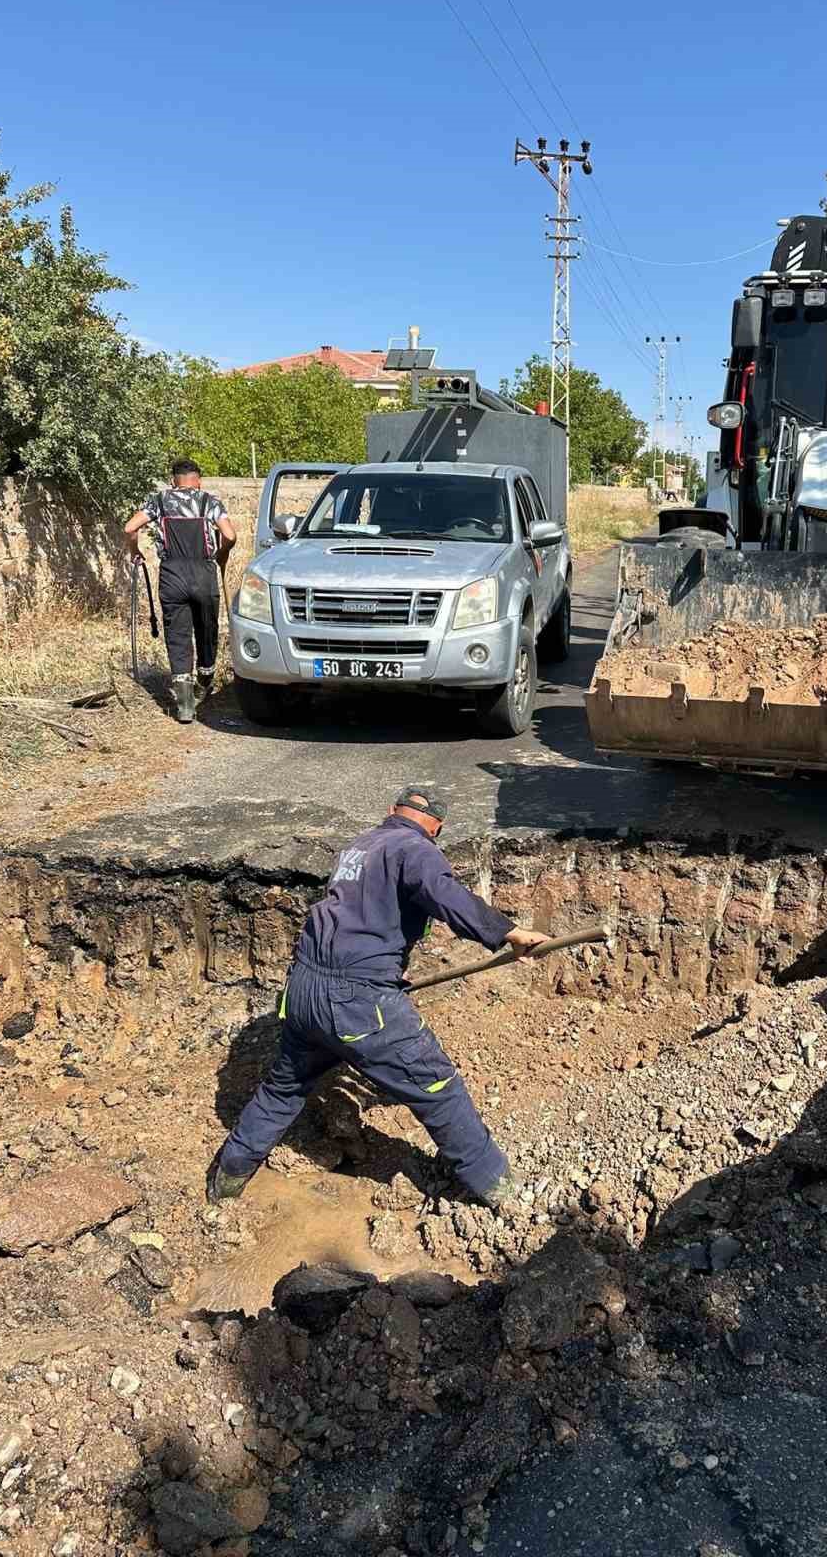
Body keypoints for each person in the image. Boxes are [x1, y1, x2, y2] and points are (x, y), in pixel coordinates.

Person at [207, 786, 548, 1207]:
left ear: (392, 811)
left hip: (303, 990)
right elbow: (448, 897)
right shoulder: (416, 850)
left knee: (285, 1087)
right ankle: (501, 1191)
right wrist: (509, 933)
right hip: (356, 1000)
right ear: (436, 827)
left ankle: (228, 1178)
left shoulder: (361, 845)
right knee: (438, 1087)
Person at [124, 460, 236, 724]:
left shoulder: (159, 501)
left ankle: (185, 705)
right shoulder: (210, 502)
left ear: (173, 480)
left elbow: (130, 528)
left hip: (172, 574)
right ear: (198, 480)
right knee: (206, 629)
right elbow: (229, 535)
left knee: (177, 634)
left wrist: (134, 551)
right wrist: (221, 555)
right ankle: (204, 681)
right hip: (204, 572)